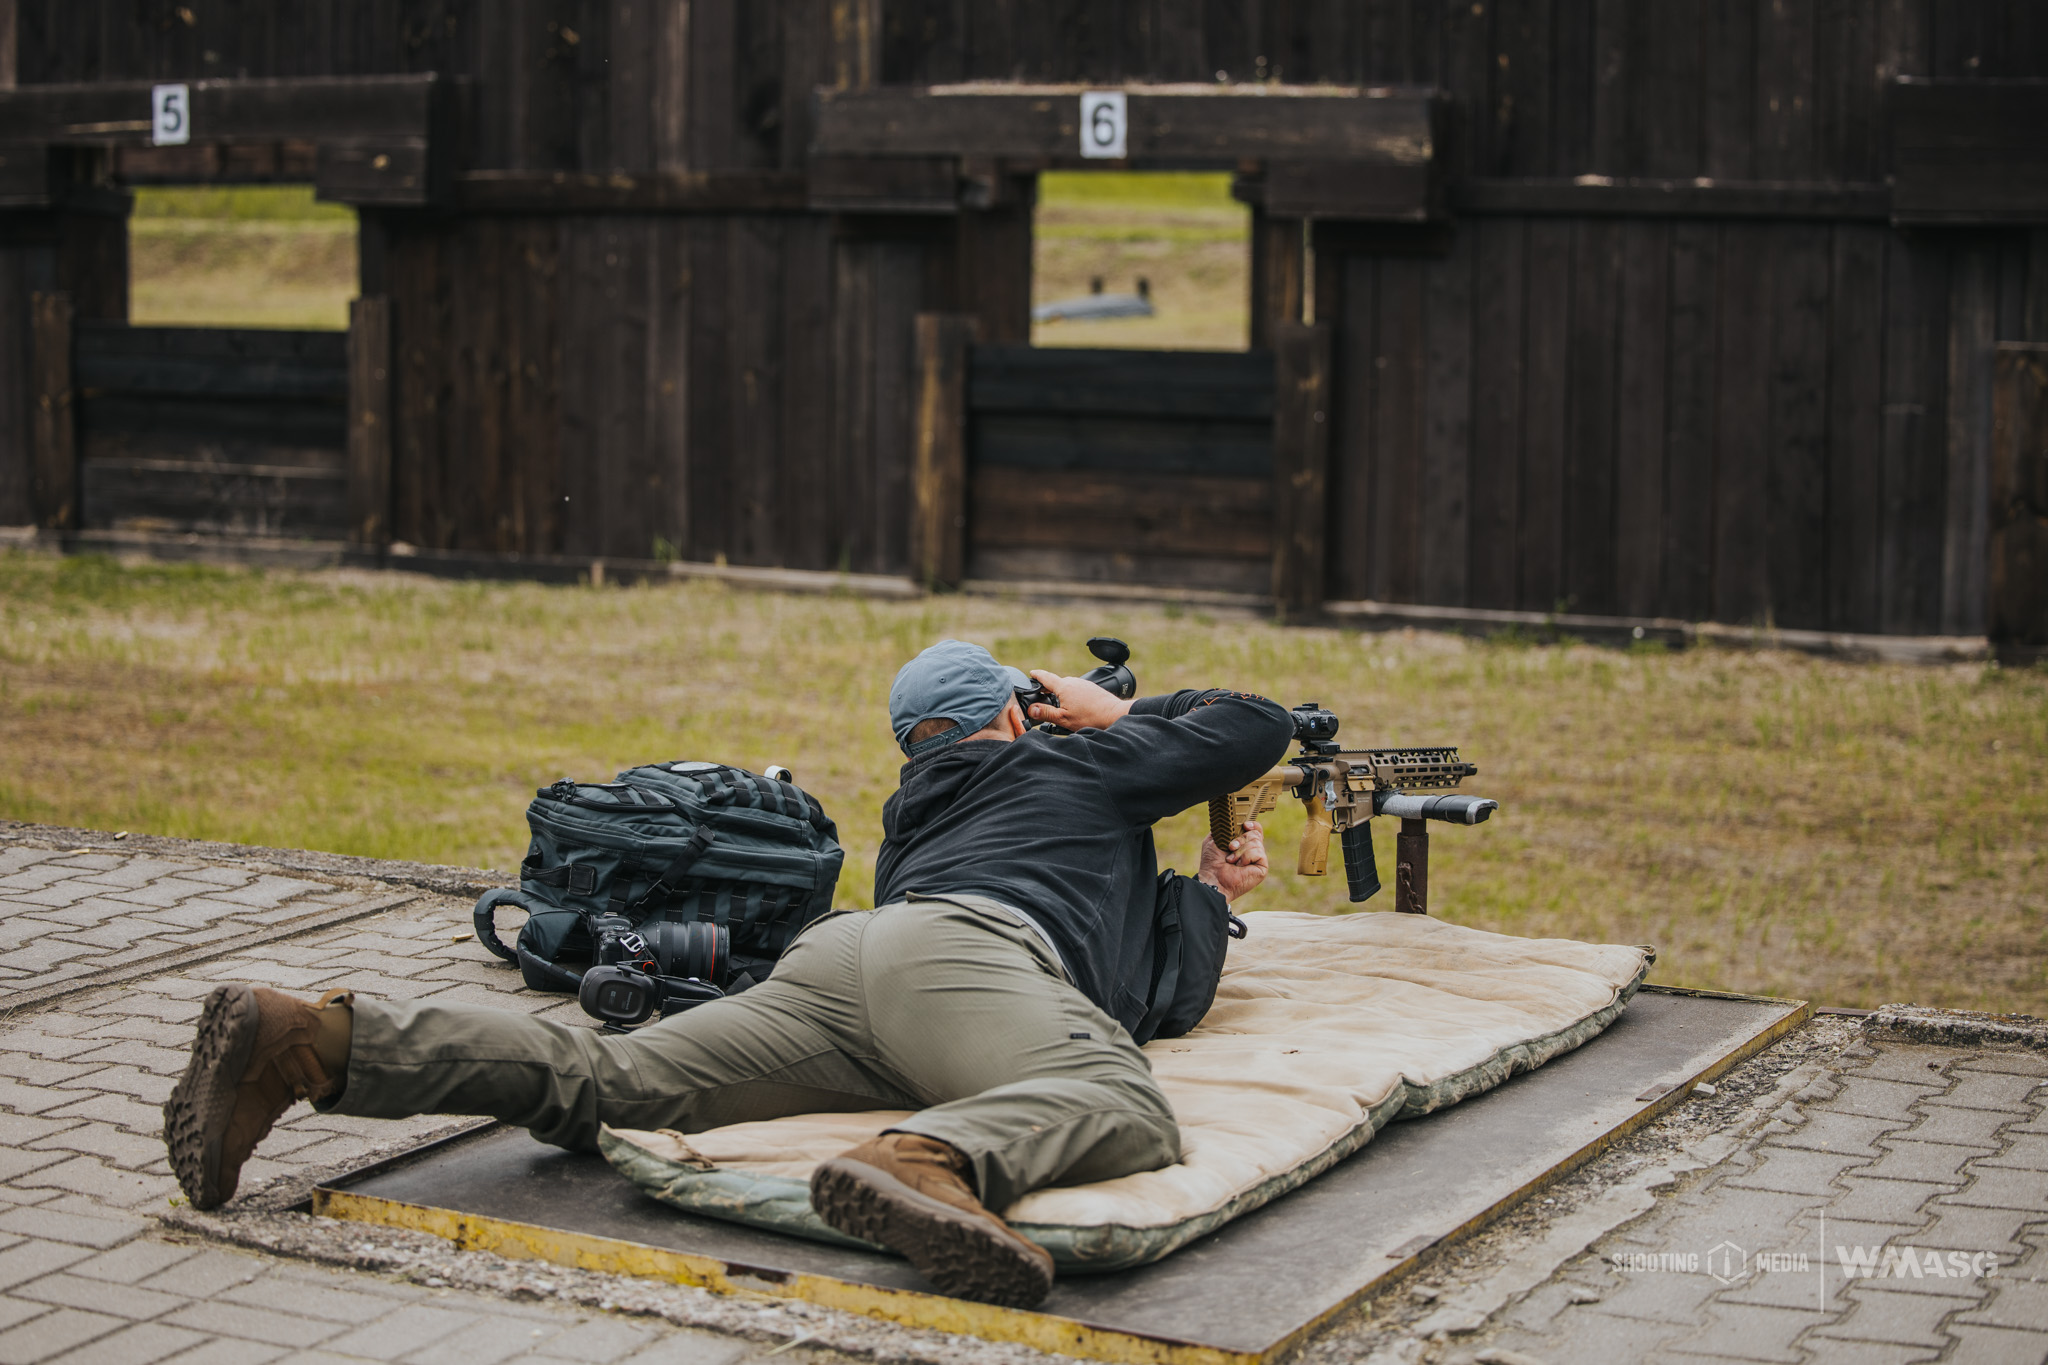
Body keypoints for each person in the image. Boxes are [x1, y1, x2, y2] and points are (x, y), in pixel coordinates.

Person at [163, 640, 1293, 1308]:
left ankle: (313, 1038)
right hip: (959, 962)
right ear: (1015, 714)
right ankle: (926, 1162)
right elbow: (1255, 724)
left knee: (611, 1082)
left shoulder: (925, 811)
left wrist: (1197, 892)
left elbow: (1139, 1001)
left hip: (848, 964)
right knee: (1118, 1104)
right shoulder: (1074, 762)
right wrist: (1115, 713)